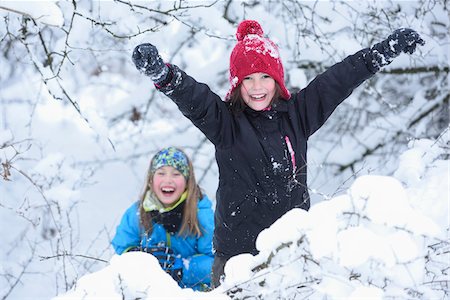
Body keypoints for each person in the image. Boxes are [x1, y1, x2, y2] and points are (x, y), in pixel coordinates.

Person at [130, 20, 425, 287]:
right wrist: (164, 75)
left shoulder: (298, 114)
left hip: (294, 252)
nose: (257, 87)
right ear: (237, 84)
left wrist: (381, 52)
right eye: (248, 79)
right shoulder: (226, 124)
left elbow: (337, 80)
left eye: (264, 77)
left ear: (277, 80)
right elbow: (195, 97)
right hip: (237, 258)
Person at [111, 146, 214, 290]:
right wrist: (140, 257)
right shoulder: (137, 213)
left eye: (176, 174)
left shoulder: (202, 215)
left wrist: (182, 270)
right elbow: (121, 249)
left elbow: (216, 262)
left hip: (191, 293)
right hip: (148, 292)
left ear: (187, 181)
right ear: (151, 179)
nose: (168, 180)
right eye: (161, 173)